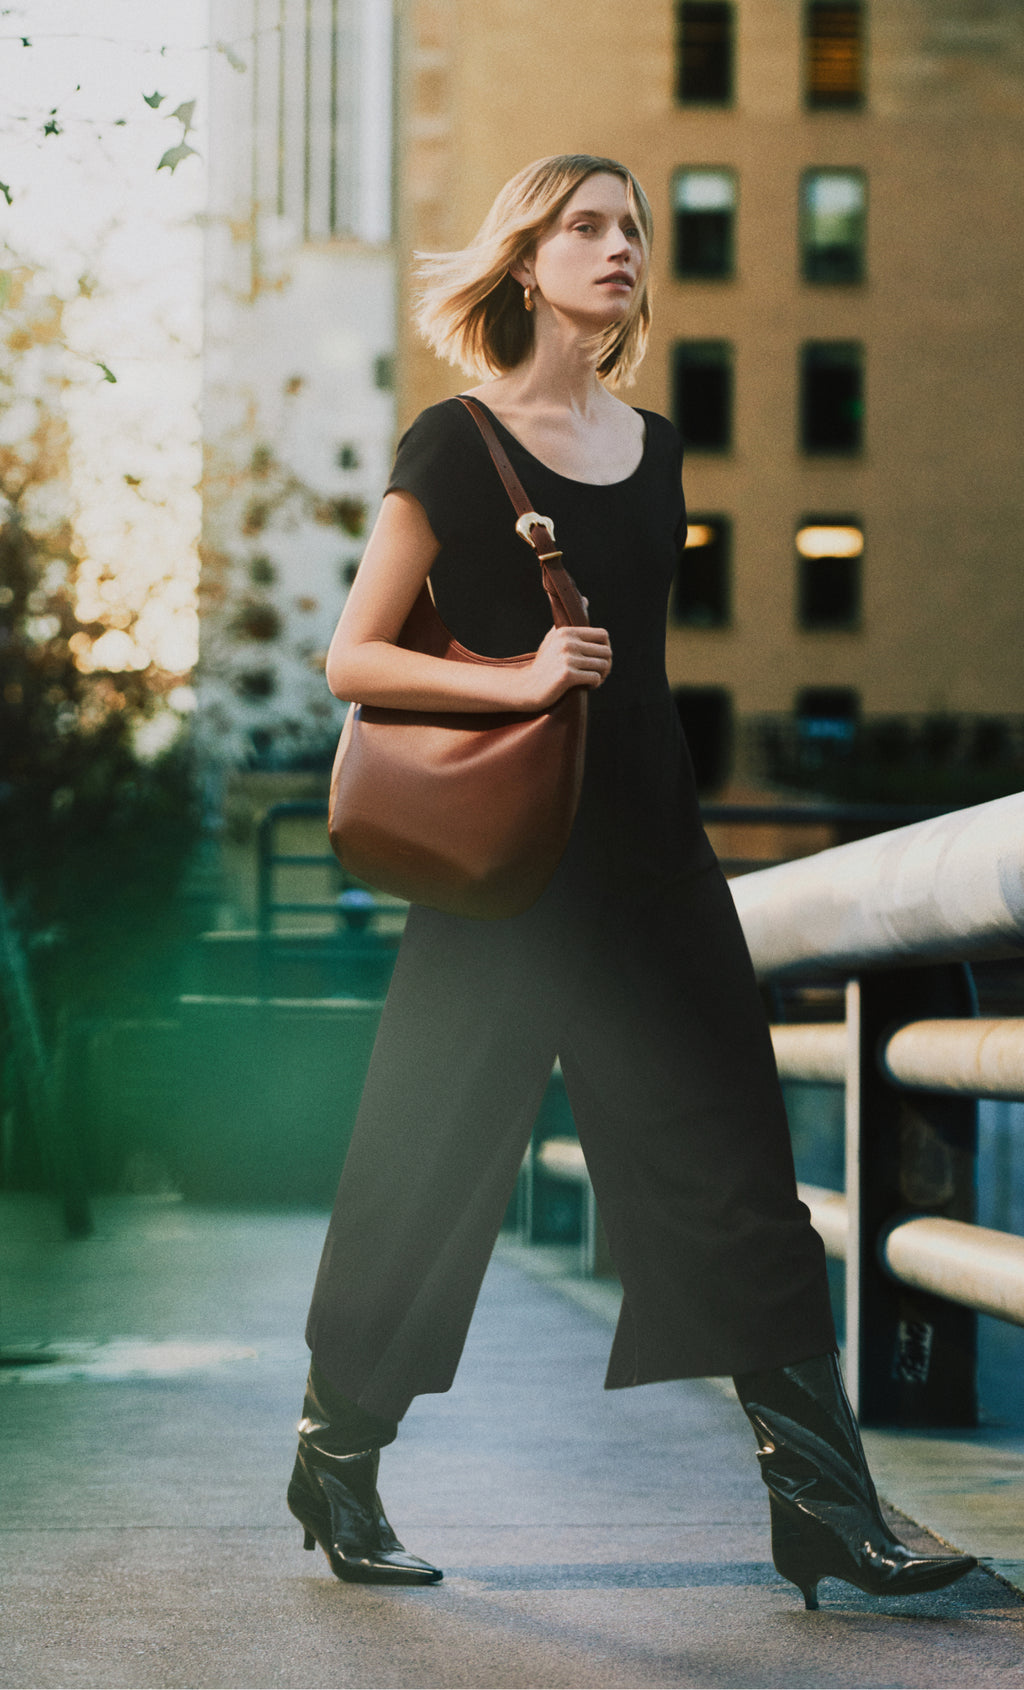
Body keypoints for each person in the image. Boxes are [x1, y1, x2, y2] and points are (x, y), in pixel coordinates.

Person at [286, 154, 976, 1610]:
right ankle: (336, 1457)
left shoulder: (657, 449)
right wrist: (526, 674)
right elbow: (352, 656)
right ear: (525, 264)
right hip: (500, 870)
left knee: (736, 1166)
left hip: (654, 860)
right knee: (428, 1168)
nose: (617, 246)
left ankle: (827, 1507)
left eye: (632, 229)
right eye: (582, 226)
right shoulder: (452, 441)